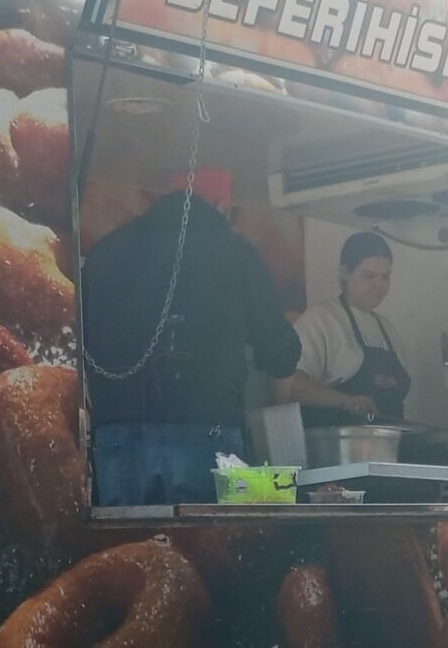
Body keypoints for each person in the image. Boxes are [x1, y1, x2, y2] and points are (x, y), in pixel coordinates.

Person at [82, 169, 302, 502]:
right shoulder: (237, 252)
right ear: (221, 205)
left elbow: (80, 344)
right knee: (203, 537)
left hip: (117, 436)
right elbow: (280, 353)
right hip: (206, 432)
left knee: (125, 536)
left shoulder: (104, 253)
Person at [280, 230, 411, 423]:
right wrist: (345, 401)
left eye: (385, 276)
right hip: (335, 439)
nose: (379, 284)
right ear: (345, 272)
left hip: (390, 439)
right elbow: (292, 386)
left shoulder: (388, 329)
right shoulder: (321, 319)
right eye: (369, 276)